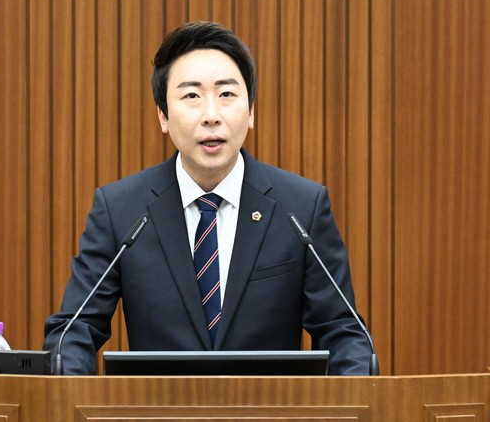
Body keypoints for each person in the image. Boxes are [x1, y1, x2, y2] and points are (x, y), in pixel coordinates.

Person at [43, 21, 373, 375]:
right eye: (191, 96)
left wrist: (353, 396)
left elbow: (343, 332)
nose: (211, 116)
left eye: (227, 94)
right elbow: (74, 329)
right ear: (163, 115)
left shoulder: (301, 209)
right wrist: (69, 389)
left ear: (250, 112)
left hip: (270, 410)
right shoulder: (121, 210)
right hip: (156, 410)